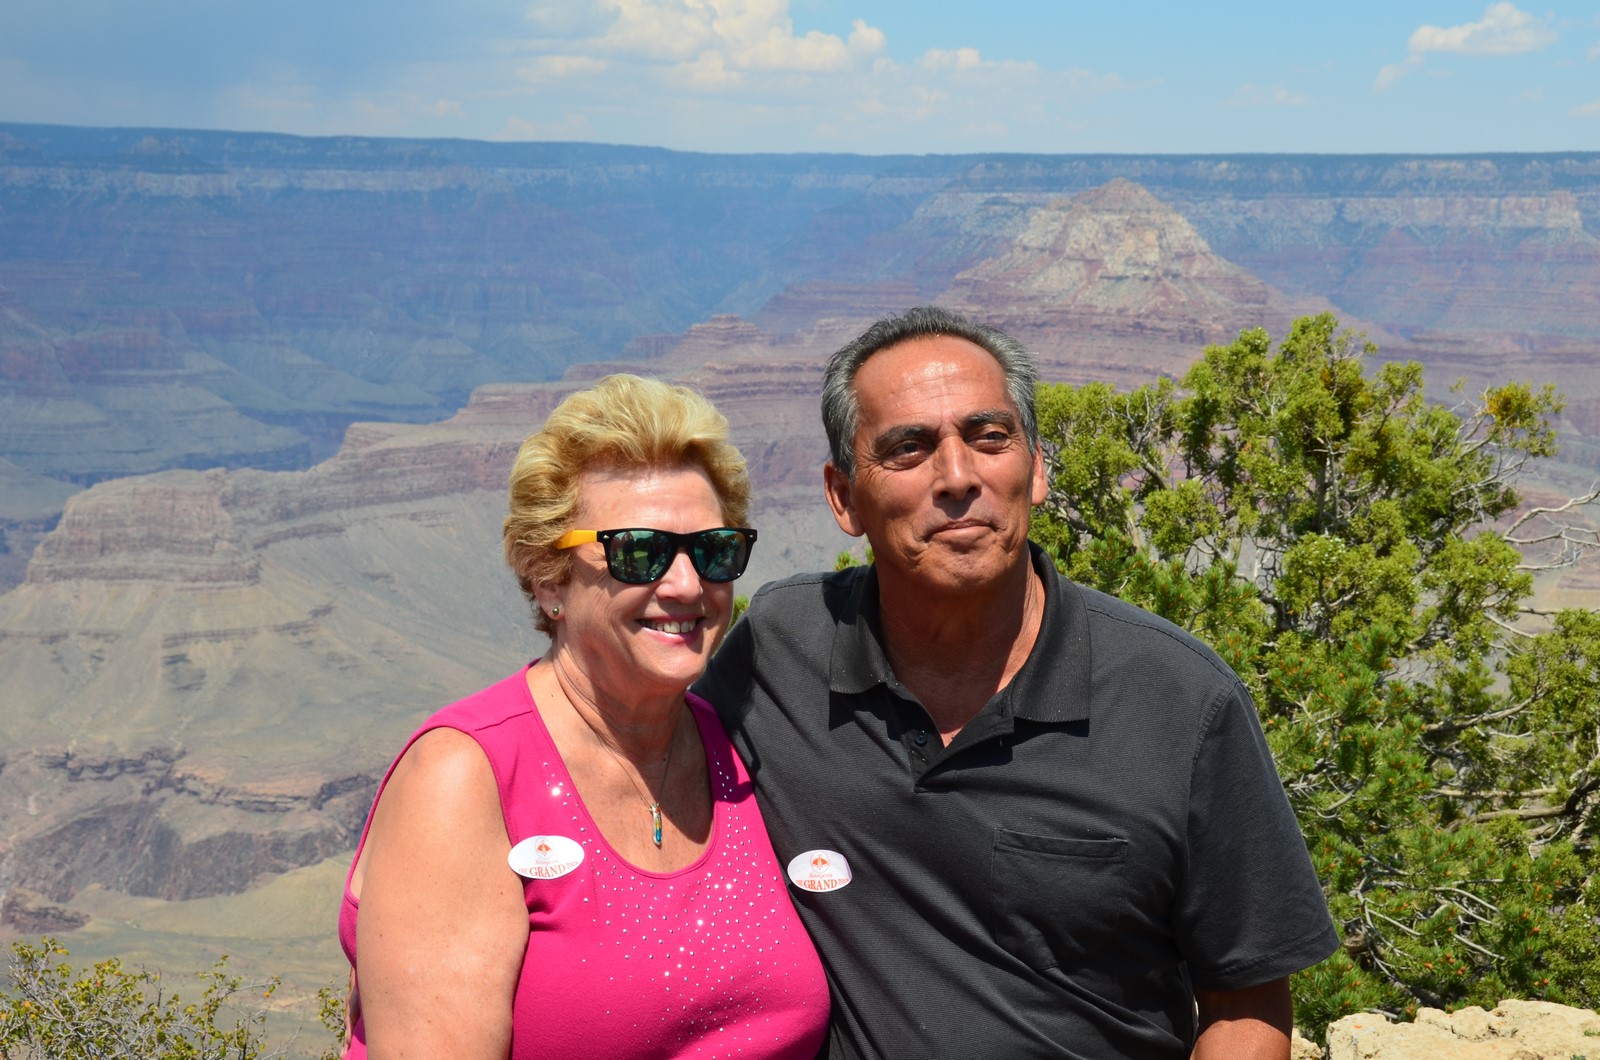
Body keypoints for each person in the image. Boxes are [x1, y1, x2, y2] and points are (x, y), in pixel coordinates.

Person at [695, 306, 1339, 1059]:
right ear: (843, 497)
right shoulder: (779, 652)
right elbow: (631, 772)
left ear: (1035, 468)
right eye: (908, 448)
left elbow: (1248, 1001)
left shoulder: (1176, 698)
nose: (958, 477)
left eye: (988, 437)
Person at [337, 373, 828, 1059]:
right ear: (548, 578)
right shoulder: (464, 778)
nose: (685, 585)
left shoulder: (747, 746)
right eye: (638, 553)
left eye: (713, 550)